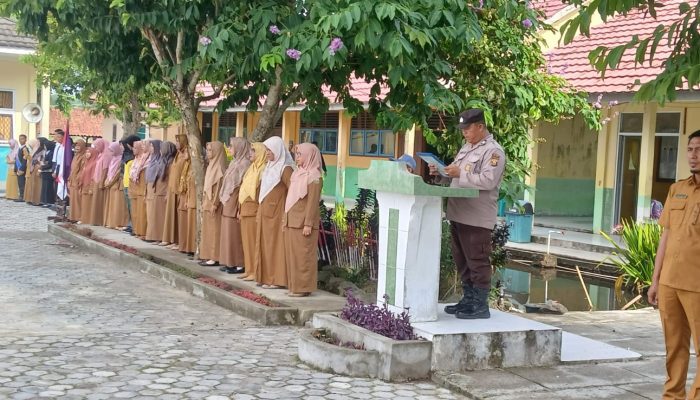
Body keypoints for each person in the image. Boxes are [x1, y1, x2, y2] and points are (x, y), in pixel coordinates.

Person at [429, 108, 506, 320]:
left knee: (477, 260)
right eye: (462, 129)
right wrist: (441, 173)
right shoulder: (466, 148)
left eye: (468, 129)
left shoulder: (493, 152)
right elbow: (456, 178)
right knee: (462, 260)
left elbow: (488, 181)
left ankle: (480, 305)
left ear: (480, 126)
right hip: (458, 213)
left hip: (477, 217)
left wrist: (460, 172)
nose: (464, 133)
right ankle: (468, 299)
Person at [648, 129, 700, 400]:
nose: (693, 155)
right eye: (690, 149)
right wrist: (655, 280)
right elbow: (665, 237)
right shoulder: (677, 189)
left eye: (699, 149)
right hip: (670, 282)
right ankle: (673, 396)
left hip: (696, 285)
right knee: (674, 347)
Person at [284, 143, 323, 297]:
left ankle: (303, 288)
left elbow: (313, 203)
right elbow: (290, 199)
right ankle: (294, 286)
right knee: (293, 256)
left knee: (303, 257)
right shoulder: (297, 174)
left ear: (310, 156)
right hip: (292, 222)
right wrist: (285, 220)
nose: (297, 157)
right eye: (297, 154)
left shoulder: (314, 177)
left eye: (300, 154)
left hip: (303, 224)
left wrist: (308, 224)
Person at [255, 136, 294, 289]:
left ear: (278, 150)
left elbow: (293, 190)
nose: (268, 153)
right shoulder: (270, 166)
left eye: (270, 150)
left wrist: (285, 209)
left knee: (275, 246)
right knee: (265, 246)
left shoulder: (285, 168)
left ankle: (276, 279)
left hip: (277, 214)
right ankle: (265, 277)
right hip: (266, 213)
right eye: (267, 150)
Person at [218, 137, 251, 274]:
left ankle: (239, 263)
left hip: (235, 203)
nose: (229, 149)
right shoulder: (233, 163)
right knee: (228, 235)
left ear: (240, 147)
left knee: (236, 236)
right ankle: (229, 262)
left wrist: (239, 207)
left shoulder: (245, 164)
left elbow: (243, 188)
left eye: (231, 146)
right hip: (228, 203)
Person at [237, 142, 267, 282]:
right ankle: (248, 269)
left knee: (254, 244)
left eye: (253, 151)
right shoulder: (252, 169)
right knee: (246, 243)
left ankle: (255, 271)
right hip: (245, 210)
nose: (250, 153)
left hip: (253, 211)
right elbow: (243, 189)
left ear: (261, 153)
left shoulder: (262, 170)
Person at [198, 141, 228, 266]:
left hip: (214, 204)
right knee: (208, 231)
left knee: (214, 231)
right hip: (207, 202)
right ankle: (208, 255)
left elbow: (219, 187)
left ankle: (214, 257)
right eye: (208, 150)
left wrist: (215, 203)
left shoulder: (220, 167)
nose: (208, 153)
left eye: (210, 150)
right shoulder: (211, 165)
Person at [161, 138, 184, 247]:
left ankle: (176, 241)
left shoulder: (184, 156)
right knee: (171, 215)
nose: (176, 144)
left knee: (177, 216)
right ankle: (172, 239)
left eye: (178, 141)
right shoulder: (177, 156)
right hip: (172, 189)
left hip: (178, 190)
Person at [144, 140, 168, 242]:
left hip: (157, 190)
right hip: (150, 188)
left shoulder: (161, 161)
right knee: (150, 214)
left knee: (155, 214)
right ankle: (150, 235)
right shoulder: (152, 159)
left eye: (153, 147)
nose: (151, 149)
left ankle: (155, 236)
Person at [175, 135, 195, 254]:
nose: (185, 153)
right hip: (184, 195)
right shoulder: (187, 164)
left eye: (188, 151)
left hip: (190, 198)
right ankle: (183, 245)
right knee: (183, 222)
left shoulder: (194, 166)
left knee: (188, 224)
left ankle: (189, 247)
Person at [103, 141, 129, 229]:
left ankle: (118, 223)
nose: (110, 152)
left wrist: (110, 183)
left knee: (118, 205)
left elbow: (118, 173)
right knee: (112, 205)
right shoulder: (113, 160)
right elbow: (109, 172)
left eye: (112, 150)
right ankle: (111, 222)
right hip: (111, 185)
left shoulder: (120, 159)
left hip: (117, 184)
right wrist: (107, 181)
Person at [120, 135, 140, 233]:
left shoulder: (133, 158)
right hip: (126, 183)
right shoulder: (127, 155)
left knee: (133, 206)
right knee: (129, 206)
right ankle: (130, 224)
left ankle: (133, 225)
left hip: (131, 185)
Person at [87, 138, 110, 225]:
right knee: (96, 202)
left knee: (99, 201)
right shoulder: (101, 155)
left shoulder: (106, 155)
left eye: (97, 146)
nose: (96, 148)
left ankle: (99, 220)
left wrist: (101, 183)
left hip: (101, 182)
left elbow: (105, 170)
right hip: (97, 180)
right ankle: (95, 220)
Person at [129, 140, 149, 238]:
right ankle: (136, 230)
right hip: (134, 187)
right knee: (135, 211)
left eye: (136, 147)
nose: (133, 149)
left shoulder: (145, 160)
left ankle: (142, 232)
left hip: (141, 188)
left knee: (142, 212)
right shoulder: (136, 159)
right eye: (133, 147)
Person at [67, 139, 87, 223]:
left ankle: (79, 217)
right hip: (72, 180)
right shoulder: (76, 156)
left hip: (77, 181)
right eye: (76, 146)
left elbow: (82, 170)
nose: (77, 147)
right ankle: (73, 216)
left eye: (79, 146)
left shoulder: (84, 156)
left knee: (78, 201)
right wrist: (69, 178)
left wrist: (78, 179)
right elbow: (73, 169)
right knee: (73, 200)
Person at [79, 147, 98, 224]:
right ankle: (84, 219)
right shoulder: (86, 162)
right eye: (86, 152)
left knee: (88, 204)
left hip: (89, 186)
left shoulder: (94, 163)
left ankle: (87, 219)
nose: (87, 154)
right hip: (84, 185)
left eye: (89, 152)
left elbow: (93, 176)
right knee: (84, 204)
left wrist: (91, 187)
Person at [25, 138, 44, 206]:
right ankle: (32, 199)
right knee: (33, 185)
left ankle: (37, 201)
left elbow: (41, 160)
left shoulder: (41, 150)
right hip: (33, 169)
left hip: (38, 169)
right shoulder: (34, 150)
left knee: (38, 185)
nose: (30, 146)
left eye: (31, 145)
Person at [39, 137, 57, 207]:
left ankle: (49, 201)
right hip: (44, 171)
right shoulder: (47, 152)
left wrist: (42, 167)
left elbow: (50, 163)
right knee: (44, 187)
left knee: (48, 188)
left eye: (45, 146)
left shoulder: (52, 153)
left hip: (48, 172)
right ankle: (44, 201)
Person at [14, 134, 29, 202]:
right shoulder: (19, 148)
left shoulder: (25, 149)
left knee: (22, 183)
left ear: (26, 140)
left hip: (22, 169)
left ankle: (22, 196)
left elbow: (25, 160)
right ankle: (21, 195)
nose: (21, 140)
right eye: (20, 139)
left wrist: (22, 169)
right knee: (20, 183)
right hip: (18, 168)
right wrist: (15, 168)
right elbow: (17, 159)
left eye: (22, 139)